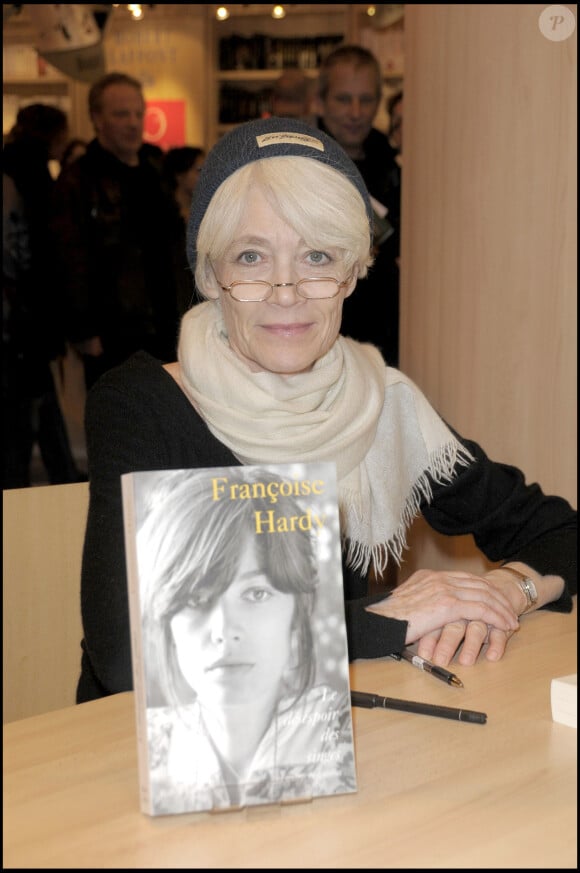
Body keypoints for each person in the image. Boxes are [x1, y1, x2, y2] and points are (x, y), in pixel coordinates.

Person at [76, 116, 576, 708]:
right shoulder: (142, 404)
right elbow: (126, 652)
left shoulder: (380, 404)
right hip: (153, 749)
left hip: (322, 733)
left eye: (317, 256)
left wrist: (503, 590)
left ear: (351, 274)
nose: (286, 290)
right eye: (252, 256)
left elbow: (558, 532)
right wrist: (388, 618)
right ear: (211, 275)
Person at [138, 466, 355, 813]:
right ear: (167, 626)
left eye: (255, 593)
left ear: (296, 617)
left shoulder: (339, 734)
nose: (224, 630)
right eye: (196, 600)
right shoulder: (151, 748)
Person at [50, 72, 183, 390]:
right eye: (121, 114)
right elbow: (69, 255)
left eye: (139, 113)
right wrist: (83, 328)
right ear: (97, 118)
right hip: (114, 327)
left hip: (166, 317)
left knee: (168, 415)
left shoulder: (155, 166)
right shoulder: (78, 179)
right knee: (119, 419)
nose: (133, 122)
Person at [3, 103, 85, 488]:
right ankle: (26, 483)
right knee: (26, 405)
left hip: (20, 313)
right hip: (24, 314)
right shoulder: (33, 175)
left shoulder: (16, 166)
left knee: (35, 399)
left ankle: (60, 472)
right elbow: (41, 253)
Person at [314, 45, 402, 365]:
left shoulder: (394, 165)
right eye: (343, 99)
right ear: (321, 100)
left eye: (365, 100)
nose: (355, 112)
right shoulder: (298, 160)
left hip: (388, 334)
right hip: (322, 335)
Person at [163, 146, 206, 314]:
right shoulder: (165, 216)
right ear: (179, 175)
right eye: (198, 170)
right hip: (174, 295)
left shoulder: (205, 212)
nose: (204, 176)